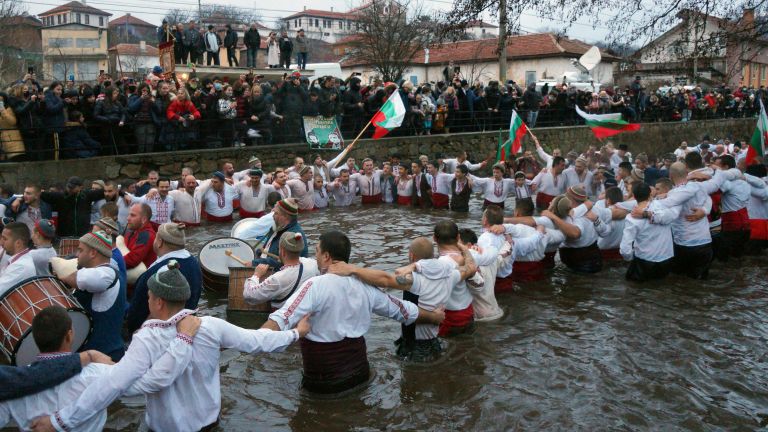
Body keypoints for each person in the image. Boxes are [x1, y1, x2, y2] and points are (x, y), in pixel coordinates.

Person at [37, 262, 309, 432]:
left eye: (148, 295)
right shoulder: (211, 326)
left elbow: (115, 386)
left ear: (157, 302)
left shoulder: (146, 338)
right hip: (210, 426)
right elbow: (258, 341)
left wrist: (61, 421)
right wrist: (296, 333)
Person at [262, 230, 445, 393]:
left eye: (317, 251)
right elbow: (404, 311)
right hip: (360, 376)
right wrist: (434, 317)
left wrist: (252, 340)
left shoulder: (314, 285)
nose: (315, 256)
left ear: (326, 256)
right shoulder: (364, 286)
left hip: (324, 382)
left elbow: (282, 318)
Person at [0, 305, 201, 431]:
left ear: (34, 340)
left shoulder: (12, 385)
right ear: (70, 335)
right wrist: (183, 338)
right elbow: (152, 382)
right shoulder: (99, 373)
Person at [56, 231, 126, 360]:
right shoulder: (102, 272)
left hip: (105, 355)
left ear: (93, 253)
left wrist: (61, 276)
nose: (77, 254)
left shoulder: (107, 273)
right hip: (95, 355)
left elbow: (79, 278)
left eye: (81, 250)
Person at [125, 223, 202, 334]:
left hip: (156, 334)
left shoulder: (160, 270)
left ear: (160, 242)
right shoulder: (193, 261)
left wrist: (136, 331)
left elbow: (143, 309)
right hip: (186, 326)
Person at [244, 232, 319, 309]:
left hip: (284, 317)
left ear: (282, 251)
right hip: (305, 311)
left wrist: (256, 275)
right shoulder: (313, 264)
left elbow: (250, 295)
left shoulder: (278, 278)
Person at [621, 182, 679, 281]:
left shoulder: (631, 218)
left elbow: (625, 248)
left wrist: (629, 258)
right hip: (666, 258)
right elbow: (674, 214)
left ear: (634, 196)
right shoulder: (662, 206)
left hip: (644, 260)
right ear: (650, 194)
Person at [540, 189, 604, 273]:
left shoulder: (577, 217)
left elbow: (575, 233)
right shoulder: (577, 211)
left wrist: (552, 216)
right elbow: (589, 203)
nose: (550, 204)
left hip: (584, 264)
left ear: (570, 201)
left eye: (551, 202)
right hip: (586, 260)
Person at [433, 221, 479, 336]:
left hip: (450, 316)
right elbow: (479, 283)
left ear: (434, 238)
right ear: (458, 237)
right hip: (468, 310)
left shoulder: (441, 263)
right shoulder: (469, 256)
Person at [40, 177, 104, 237]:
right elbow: (44, 195)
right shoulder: (61, 196)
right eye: (69, 187)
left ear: (80, 187)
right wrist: (40, 192)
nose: (70, 189)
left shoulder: (87, 195)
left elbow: (105, 193)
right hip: (65, 236)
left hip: (83, 235)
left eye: (73, 187)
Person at [252, 198, 307, 269]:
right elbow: (266, 249)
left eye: (276, 213)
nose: (273, 216)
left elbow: (282, 262)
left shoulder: (292, 236)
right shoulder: (276, 227)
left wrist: (254, 263)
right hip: (265, 266)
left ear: (285, 217)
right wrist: (259, 253)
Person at [0, 222, 34, 295]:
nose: (1, 243)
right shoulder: (19, 261)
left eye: (5, 239)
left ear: (18, 243)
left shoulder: (21, 266)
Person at [123, 203, 157, 271]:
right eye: (129, 215)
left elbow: (132, 260)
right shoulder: (132, 231)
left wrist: (110, 262)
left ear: (143, 219)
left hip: (141, 279)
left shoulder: (146, 235)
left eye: (132, 215)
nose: (128, 218)